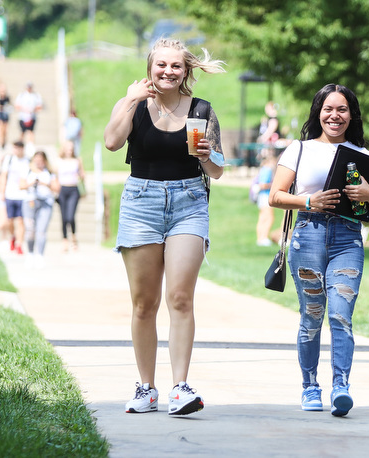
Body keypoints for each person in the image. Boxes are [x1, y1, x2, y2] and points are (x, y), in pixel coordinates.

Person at [103, 38, 225, 416]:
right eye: (161, 65)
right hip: (141, 203)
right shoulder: (134, 104)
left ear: (186, 70)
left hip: (189, 203)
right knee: (144, 304)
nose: (168, 72)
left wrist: (207, 155)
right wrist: (129, 100)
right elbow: (111, 142)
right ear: (150, 67)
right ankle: (145, 388)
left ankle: (180, 387)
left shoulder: (202, 110)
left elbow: (218, 170)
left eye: (175, 66)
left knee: (180, 298)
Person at [269, 83, 369, 417]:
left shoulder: (363, 155)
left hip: (347, 240)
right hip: (308, 234)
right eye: (328, 109)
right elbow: (275, 196)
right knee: (312, 316)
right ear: (318, 112)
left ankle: (341, 387)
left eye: (342, 110)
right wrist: (310, 200)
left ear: (351, 115)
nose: (335, 116)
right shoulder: (300, 149)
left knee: (341, 315)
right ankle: (310, 387)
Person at [21, 151, 60, 268]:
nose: (38, 162)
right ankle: (30, 253)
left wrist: (45, 184)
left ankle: (40, 255)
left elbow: (57, 188)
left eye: (40, 159)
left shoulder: (50, 173)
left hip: (45, 203)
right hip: (30, 202)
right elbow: (21, 185)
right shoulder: (27, 171)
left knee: (41, 230)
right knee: (30, 229)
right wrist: (31, 184)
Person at [0, 141, 30, 255]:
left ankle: (19, 244)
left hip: (22, 195)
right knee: (10, 220)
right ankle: (13, 237)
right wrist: (2, 191)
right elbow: (3, 176)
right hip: (10, 193)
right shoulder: (9, 160)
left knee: (21, 221)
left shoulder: (27, 161)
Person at [56, 140, 85, 252]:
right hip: (62, 189)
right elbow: (55, 175)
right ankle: (64, 240)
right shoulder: (59, 161)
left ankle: (73, 236)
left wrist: (81, 176)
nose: (70, 150)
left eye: (71, 148)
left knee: (70, 216)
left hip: (73, 189)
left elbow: (83, 174)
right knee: (63, 217)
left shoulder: (77, 160)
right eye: (68, 148)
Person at [255, 151, 277, 246]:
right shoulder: (267, 170)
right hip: (266, 195)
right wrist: (274, 185)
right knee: (269, 217)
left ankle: (260, 238)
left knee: (262, 218)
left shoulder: (262, 169)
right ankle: (263, 237)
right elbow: (263, 184)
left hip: (261, 196)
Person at [0, 82, 11, 149]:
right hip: (0, 114)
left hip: (6, 114)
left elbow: (9, 106)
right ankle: (1, 142)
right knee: (0, 129)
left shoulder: (7, 98)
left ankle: (4, 142)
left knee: (5, 130)